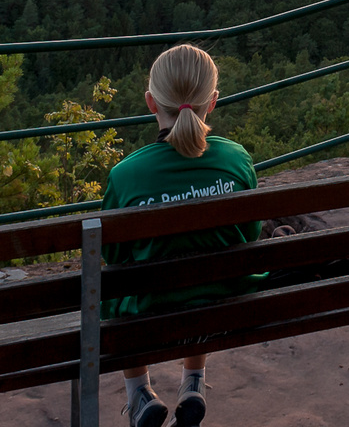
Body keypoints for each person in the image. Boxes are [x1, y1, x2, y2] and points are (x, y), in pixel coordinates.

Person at [101, 44, 259, 427]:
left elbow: (113, 254)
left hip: (148, 311)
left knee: (116, 289)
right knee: (204, 268)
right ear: (213, 102)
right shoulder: (237, 159)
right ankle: (194, 381)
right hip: (226, 299)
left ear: (151, 103)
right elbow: (249, 234)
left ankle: (139, 392)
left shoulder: (126, 176)